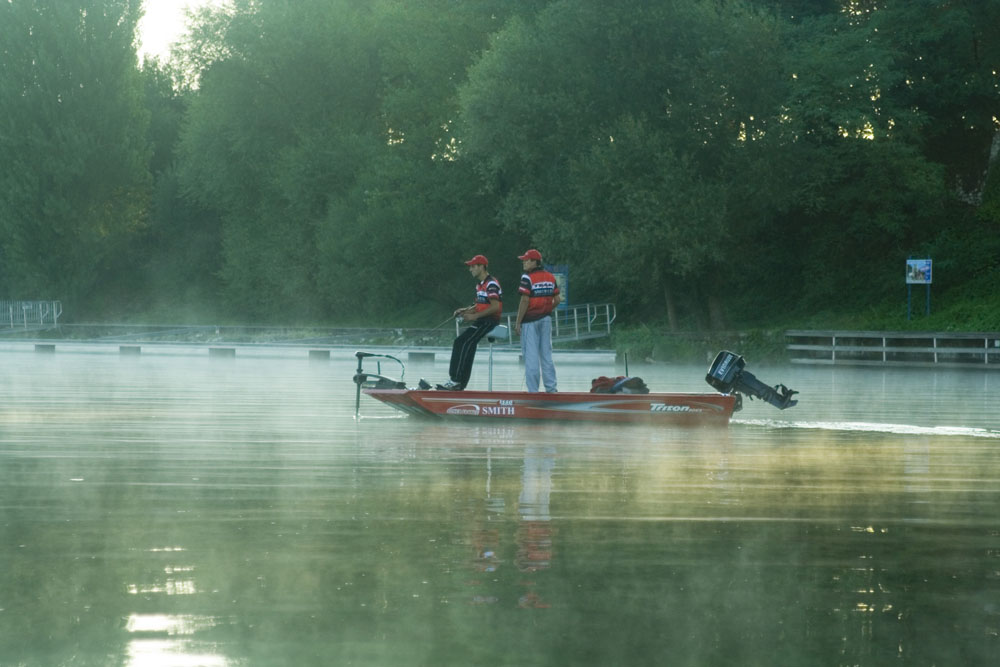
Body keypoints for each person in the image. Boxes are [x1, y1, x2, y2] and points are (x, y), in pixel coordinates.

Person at [437, 255, 502, 391]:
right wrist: (465, 310)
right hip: (482, 320)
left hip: (490, 321)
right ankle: (459, 383)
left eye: (473, 266)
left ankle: (456, 381)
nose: (470, 269)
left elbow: (495, 306)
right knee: (462, 343)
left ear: (481, 267)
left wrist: (474, 316)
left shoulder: (491, 284)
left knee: (463, 342)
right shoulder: (480, 285)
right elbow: (480, 304)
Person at [514, 249, 561, 392]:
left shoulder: (527, 278)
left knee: (531, 358)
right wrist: (546, 310)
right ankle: (551, 390)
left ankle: (533, 392)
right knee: (547, 356)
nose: (524, 262)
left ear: (535, 262)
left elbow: (524, 300)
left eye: (526, 260)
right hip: (546, 320)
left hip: (529, 322)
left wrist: (518, 322)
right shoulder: (550, 277)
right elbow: (557, 299)